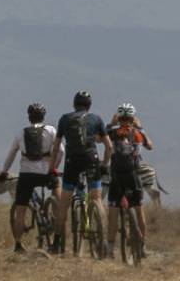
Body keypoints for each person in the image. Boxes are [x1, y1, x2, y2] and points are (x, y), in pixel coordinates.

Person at [52, 90, 106, 255]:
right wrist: (104, 164)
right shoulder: (96, 119)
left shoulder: (65, 119)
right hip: (92, 159)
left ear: (74, 104)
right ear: (89, 105)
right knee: (96, 199)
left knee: (64, 203)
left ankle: (56, 241)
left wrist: (51, 168)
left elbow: (56, 146)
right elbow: (109, 146)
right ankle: (102, 241)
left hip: (72, 162)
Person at [0, 103, 56, 254]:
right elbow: (60, 150)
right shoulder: (51, 131)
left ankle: (18, 245)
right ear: (44, 117)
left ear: (29, 117)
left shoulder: (21, 133)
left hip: (26, 174)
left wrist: (4, 172)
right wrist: (52, 168)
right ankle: (58, 212)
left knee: (21, 210)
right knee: (57, 187)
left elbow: (11, 154)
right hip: (45, 173)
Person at [103, 103, 154, 255]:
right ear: (133, 118)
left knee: (113, 211)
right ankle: (143, 247)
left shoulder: (112, 132)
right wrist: (141, 128)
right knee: (138, 210)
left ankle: (110, 249)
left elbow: (99, 139)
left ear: (119, 118)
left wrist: (111, 124)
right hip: (134, 175)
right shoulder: (137, 133)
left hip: (117, 176)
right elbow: (150, 146)